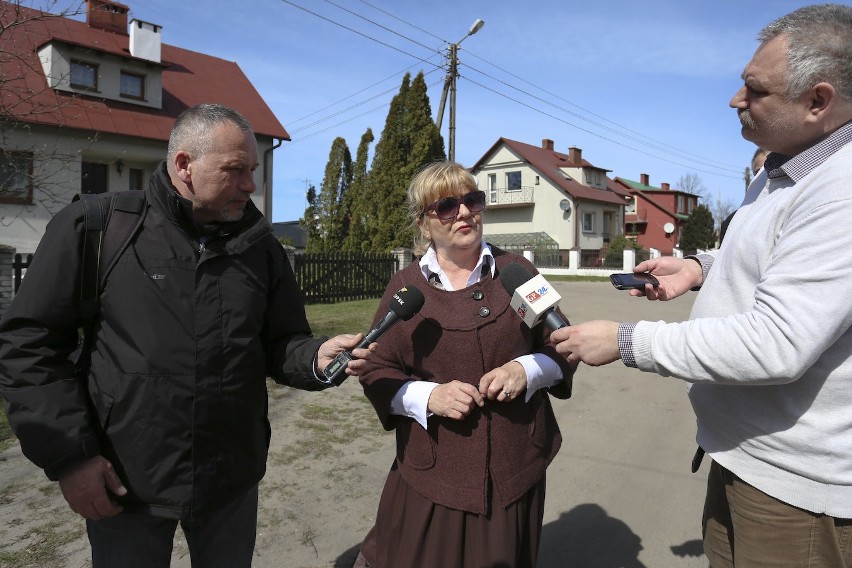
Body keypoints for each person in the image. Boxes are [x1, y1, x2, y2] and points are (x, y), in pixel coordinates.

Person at [0, 104, 370, 567]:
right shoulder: (98, 227)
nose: (250, 186)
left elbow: (282, 343)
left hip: (230, 480)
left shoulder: (260, 247)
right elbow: (28, 347)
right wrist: (71, 459)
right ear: (184, 166)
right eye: (236, 170)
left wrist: (316, 357)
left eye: (252, 170)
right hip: (125, 483)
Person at [551, 4, 852, 567]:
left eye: (755, 89)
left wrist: (625, 341)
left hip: (796, 491)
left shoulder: (842, 193)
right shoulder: (781, 168)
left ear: (819, 101)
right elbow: (764, 251)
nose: (736, 100)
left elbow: (776, 345)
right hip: (744, 457)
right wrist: (696, 268)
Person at [352, 161, 574, 568]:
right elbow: (375, 368)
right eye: (446, 206)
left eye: (471, 200)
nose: (464, 212)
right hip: (434, 472)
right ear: (423, 223)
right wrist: (428, 395)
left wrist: (527, 370)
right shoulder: (406, 288)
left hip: (514, 469)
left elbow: (562, 345)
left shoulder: (518, 274)